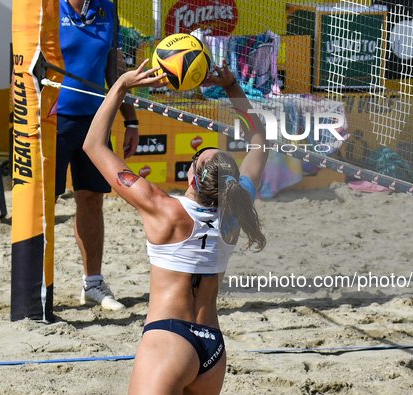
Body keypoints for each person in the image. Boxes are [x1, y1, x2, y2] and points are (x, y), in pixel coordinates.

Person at [83, 58, 269, 394]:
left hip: (169, 340)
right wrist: (232, 88)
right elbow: (260, 140)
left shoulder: (163, 209)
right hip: (212, 346)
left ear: (191, 177)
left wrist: (123, 85)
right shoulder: (236, 212)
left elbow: (93, 145)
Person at [57, 0, 139, 310]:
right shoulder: (47, 7)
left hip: (94, 120)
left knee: (92, 199)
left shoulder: (107, 7)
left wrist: (131, 120)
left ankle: (93, 284)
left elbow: (115, 72)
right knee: (41, 204)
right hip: (53, 120)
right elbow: (22, 66)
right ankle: (36, 286)